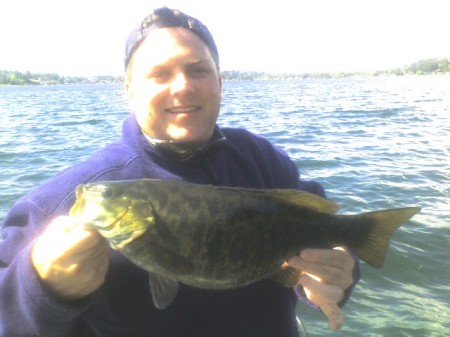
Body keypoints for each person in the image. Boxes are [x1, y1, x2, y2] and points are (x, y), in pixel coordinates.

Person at [0, 7, 359, 337]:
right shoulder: (72, 197)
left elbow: (321, 234)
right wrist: (41, 283)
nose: (183, 86)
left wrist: (338, 271)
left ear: (219, 81)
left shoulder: (262, 159)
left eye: (198, 70)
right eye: (159, 74)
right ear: (130, 89)